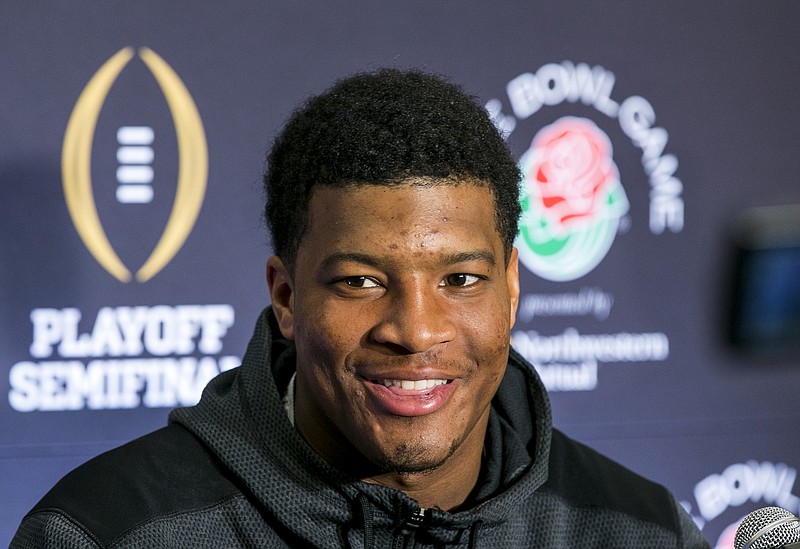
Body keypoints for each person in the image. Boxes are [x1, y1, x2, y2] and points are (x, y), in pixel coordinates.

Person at [12, 69, 709, 548]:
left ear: (513, 286)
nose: (416, 330)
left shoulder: (636, 529)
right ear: (285, 296)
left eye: (461, 278)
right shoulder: (109, 532)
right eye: (360, 282)